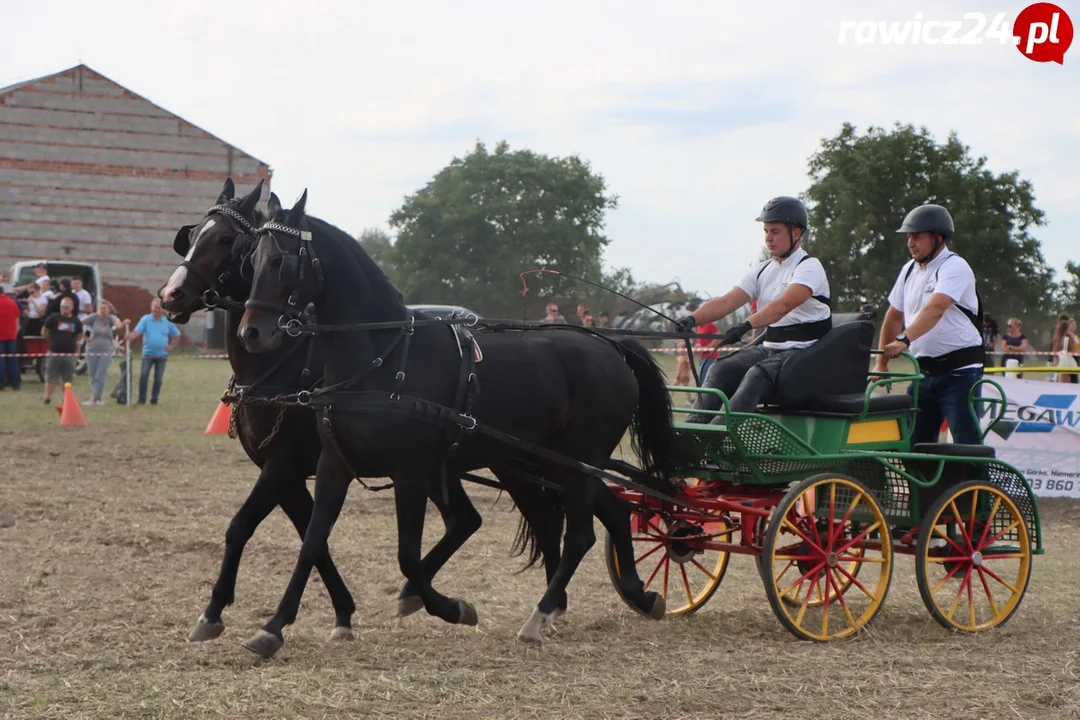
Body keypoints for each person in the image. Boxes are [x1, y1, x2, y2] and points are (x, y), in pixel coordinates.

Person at [680, 196, 831, 421]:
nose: (768, 238)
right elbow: (726, 302)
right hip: (771, 348)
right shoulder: (762, 270)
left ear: (796, 233)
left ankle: (718, 437)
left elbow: (783, 305)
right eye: (766, 231)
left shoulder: (809, 267)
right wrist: (691, 319)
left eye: (775, 231)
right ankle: (691, 433)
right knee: (720, 369)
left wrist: (745, 325)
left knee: (757, 374)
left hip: (806, 352)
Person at [874, 204, 984, 445]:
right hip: (923, 374)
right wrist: (881, 362)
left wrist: (904, 340)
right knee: (915, 445)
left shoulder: (954, 266)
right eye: (909, 237)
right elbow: (893, 316)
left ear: (938, 238)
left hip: (960, 373)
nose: (911, 243)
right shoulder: (908, 271)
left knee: (968, 446)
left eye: (918, 237)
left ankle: (979, 484)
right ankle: (926, 484)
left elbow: (936, 309)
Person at [124, 299, 181, 405]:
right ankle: (142, 399)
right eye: (155, 307)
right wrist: (130, 336)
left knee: (158, 379)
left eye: (159, 308)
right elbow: (137, 332)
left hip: (162, 356)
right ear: (151, 308)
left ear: (163, 309)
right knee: (144, 376)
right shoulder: (145, 319)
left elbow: (177, 335)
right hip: (147, 355)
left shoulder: (167, 321)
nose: (156, 310)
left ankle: (154, 399)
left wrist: (172, 346)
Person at [41, 296, 83, 404]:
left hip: (69, 355)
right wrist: (52, 343)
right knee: (51, 377)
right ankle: (47, 398)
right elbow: (44, 332)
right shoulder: (54, 318)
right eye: (63, 306)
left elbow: (79, 336)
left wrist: (77, 351)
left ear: (72, 308)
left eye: (67, 307)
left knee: (68, 379)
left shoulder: (76, 321)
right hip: (54, 353)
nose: (65, 308)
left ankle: (66, 400)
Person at [83, 301, 123, 405]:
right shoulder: (93, 317)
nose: (103, 311)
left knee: (100, 373)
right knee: (92, 374)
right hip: (91, 350)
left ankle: (96, 398)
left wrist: (122, 323)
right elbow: (79, 324)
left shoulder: (110, 318)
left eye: (105, 309)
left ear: (108, 310)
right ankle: (96, 396)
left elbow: (118, 324)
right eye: (101, 308)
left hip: (106, 351)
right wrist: (84, 337)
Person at [0, 284, 21, 391]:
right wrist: (15, 332)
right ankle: (15, 383)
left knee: (1, 360)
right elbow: (17, 318)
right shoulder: (12, 302)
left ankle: (1, 384)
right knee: (13, 359)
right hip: (11, 335)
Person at [1051, 316, 1079, 384]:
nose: (1074, 326)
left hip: (1063, 363)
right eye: (1071, 325)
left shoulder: (1058, 337)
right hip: (1069, 363)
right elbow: (1072, 350)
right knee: (1070, 383)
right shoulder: (1067, 338)